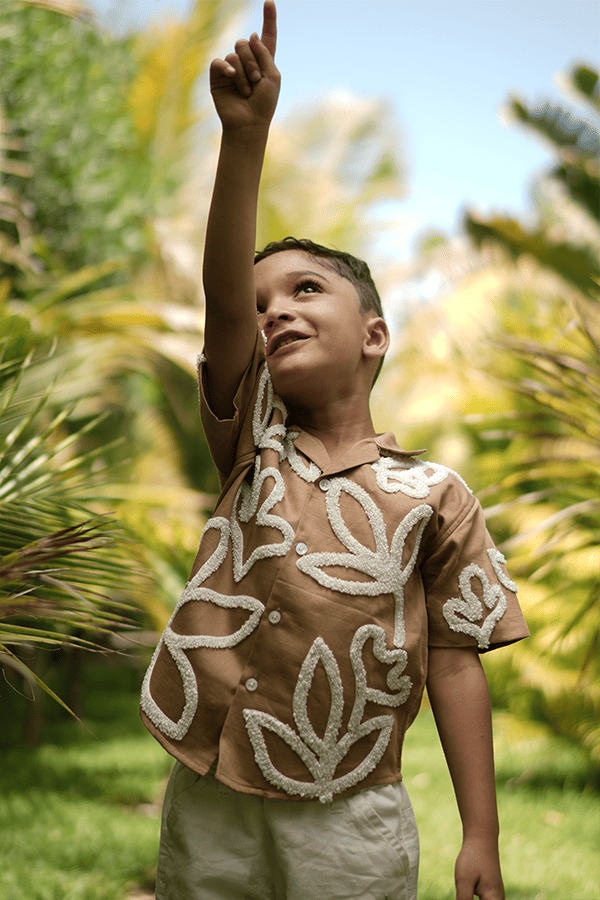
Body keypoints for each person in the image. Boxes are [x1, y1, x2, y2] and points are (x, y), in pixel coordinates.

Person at [140, 3, 529, 898]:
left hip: (352, 811)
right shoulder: (251, 444)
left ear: (374, 333)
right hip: (212, 787)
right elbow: (225, 301)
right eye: (263, 300)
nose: (276, 309)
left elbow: (455, 659)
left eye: (306, 288)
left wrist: (482, 833)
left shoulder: (434, 493)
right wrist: (246, 136)